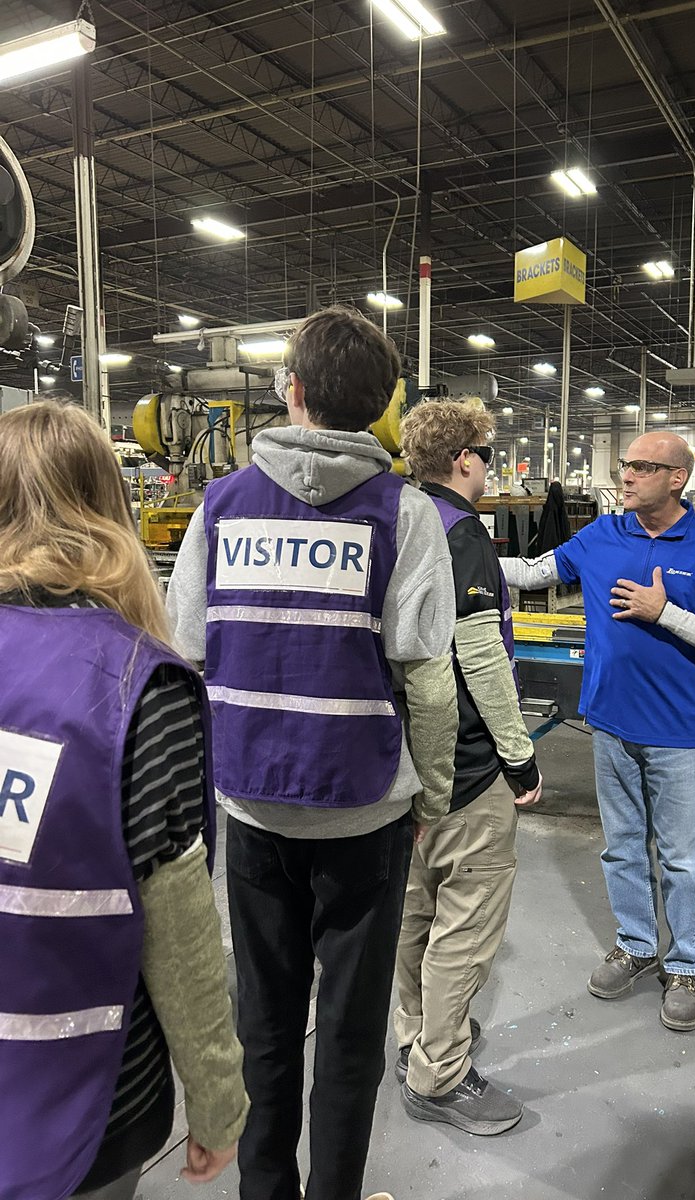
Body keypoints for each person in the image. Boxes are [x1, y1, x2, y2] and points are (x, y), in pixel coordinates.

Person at [166, 306, 458, 1200]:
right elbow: (429, 684)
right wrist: (431, 798)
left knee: (263, 1020)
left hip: (252, 809)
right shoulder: (406, 515)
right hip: (365, 810)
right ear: (383, 406)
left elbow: (187, 653)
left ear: (291, 391)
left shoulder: (220, 508)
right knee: (349, 1032)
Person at [0, 402, 247, 1200]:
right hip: (84, 1099)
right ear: (108, 504)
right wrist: (218, 1102)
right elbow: (179, 938)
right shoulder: (134, 686)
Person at [502, 432, 695, 1031]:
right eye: (626, 465)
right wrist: (452, 544)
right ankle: (637, 946)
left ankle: (686, 964)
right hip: (611, 726)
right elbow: (535, 571)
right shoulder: (601, 534)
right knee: (621, 846)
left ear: (677, 478)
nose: (627, 476)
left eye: (643, 467)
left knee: (683, 859)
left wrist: (663, 612)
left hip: (679, 733)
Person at [392, 400, 542, 1136]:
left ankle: (414, 1037)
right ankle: (441, 1073)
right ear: (464, 460)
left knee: (412, 911)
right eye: (486, 454)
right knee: (466, 919)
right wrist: (519, 758)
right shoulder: (462, 531)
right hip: (464, 764)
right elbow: (480, 658)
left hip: (398, 764)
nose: (488, 466)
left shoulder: (391, 518)